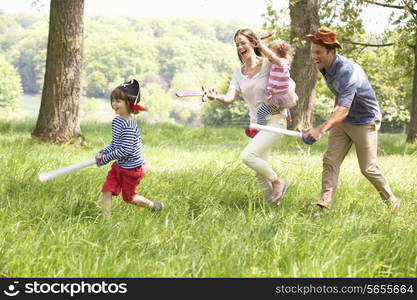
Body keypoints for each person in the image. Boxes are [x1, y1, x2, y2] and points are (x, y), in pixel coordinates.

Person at [303, 26, 401, 214]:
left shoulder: (349, 71)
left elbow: (344, 109)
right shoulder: (325, 67)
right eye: (312, 52)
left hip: (365, 120)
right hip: (342, 120)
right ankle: (323, 207)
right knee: (330, 160)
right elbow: (339, 97)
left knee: (368, 168)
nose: (314, 56)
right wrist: (330, 121)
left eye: (318, 52)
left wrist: (320, 129)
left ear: (331, 52)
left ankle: (392, 201)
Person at [204, 28, 290, 205]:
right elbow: (229, 97)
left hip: (275, 120)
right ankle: (273, 209)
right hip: (256, 124)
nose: (239, 47)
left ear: (253, 43)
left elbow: (281, 63)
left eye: (243, 43)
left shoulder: (268, 64)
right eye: (237, 44)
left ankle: (277, 181)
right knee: (259, 174)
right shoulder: (238, 72)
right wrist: (215, 96)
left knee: (248, 156)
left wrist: (261, 43)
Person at [96, 79, 163, 219]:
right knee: (107, 191)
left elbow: (125, 150)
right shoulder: (117, 121)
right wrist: (103, 151)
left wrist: (106, 159)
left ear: (129, 103)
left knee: (129, 198)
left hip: (132, 170)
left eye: (118, 101)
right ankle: (104, 223)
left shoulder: (129, 126)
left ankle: (154, 206)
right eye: (112, 100)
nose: (114, 104)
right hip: (119, 166)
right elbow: (115, 144)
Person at [256, 39, 298, 126]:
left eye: (271, 53)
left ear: (280, 54)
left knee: (261, 113)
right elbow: (265, 56)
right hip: (281, 95)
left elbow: (270, 56)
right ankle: (287, 114)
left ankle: (260, 129)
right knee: (281, 104)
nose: (268, 57)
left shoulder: (281, 62)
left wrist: (260, 44)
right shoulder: (279, 63)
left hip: (277, 97)